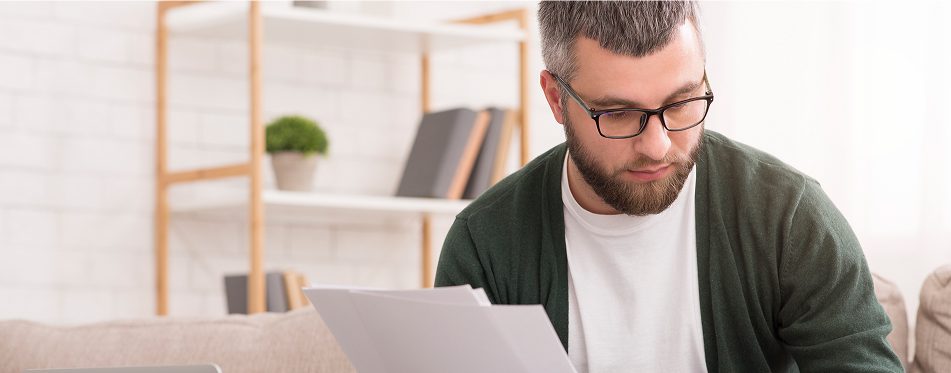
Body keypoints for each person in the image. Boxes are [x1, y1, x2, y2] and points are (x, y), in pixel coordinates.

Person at [434, 1, 903, 372]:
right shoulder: (486, 241)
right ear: (556, 99)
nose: (657, 146)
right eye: (617, 114)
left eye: (681, 103)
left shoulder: (788, 216)